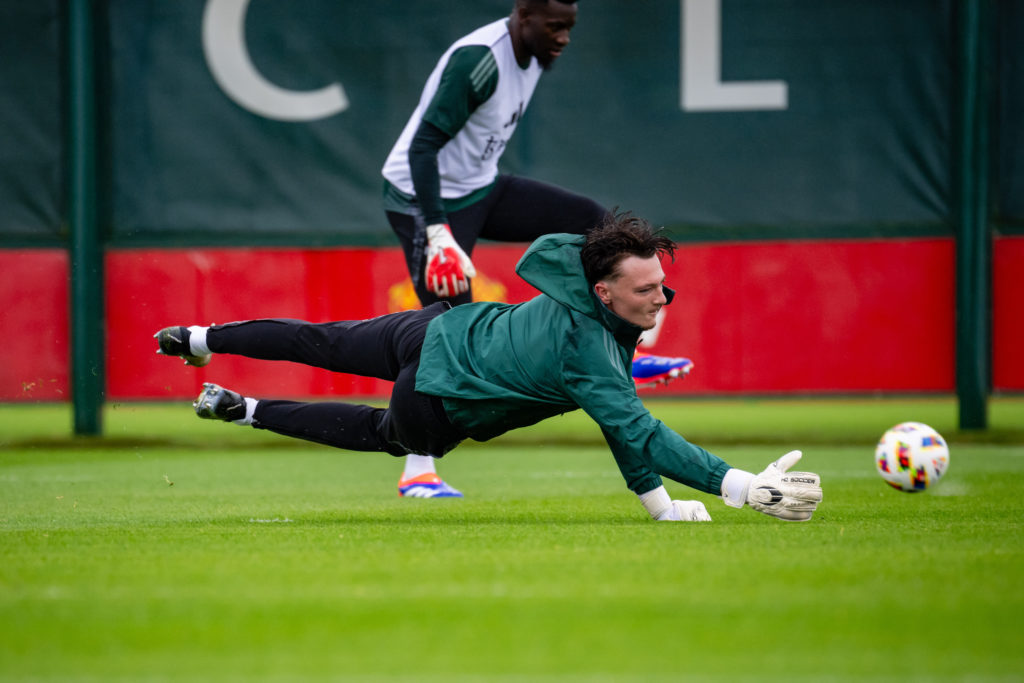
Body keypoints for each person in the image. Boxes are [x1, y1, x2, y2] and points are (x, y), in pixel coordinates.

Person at [155, 214, 822, 522]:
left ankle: (201, 336)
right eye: (645, 289)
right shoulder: (589, 353)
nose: (661, 298)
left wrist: (658, 506)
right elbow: (637, 431)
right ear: (603, 293)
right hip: (439, 394)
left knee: (325, 342)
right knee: (385, 434)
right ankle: (244, 409)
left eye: (661, 283)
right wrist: (735, 483)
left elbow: (565, 247)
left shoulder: (579, 268)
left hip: (441, 323)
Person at [380, 0, 691, 496]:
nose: (564, 37)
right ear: (522, 15)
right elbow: (422, 149)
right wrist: (438, 234)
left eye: (570, 27)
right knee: (448, 324)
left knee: (593, 221)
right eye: (554, 26)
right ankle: (418, 470)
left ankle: (620, 349)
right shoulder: (479, 60)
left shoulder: (536, 52)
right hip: (423, 198)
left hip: (479, 187)